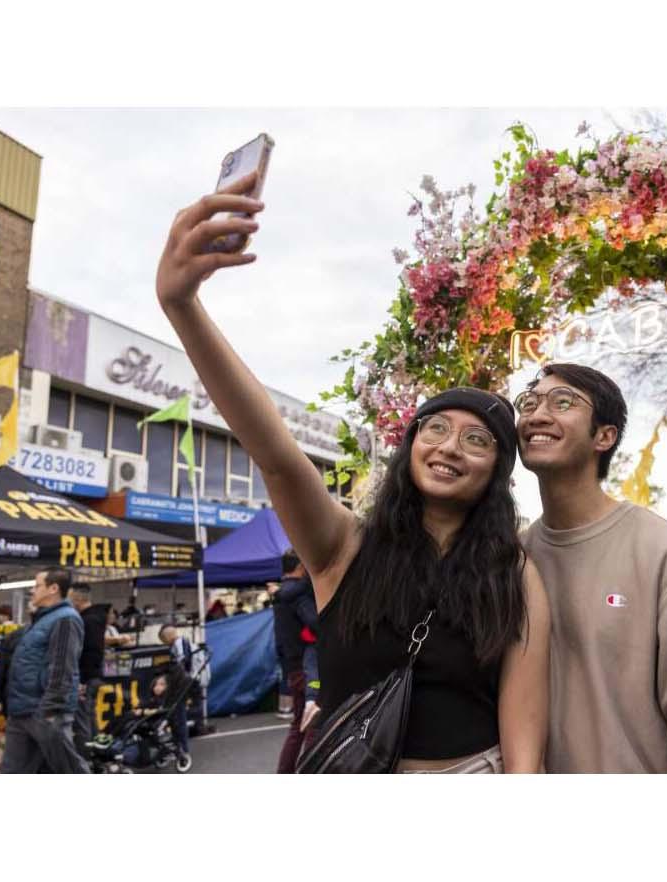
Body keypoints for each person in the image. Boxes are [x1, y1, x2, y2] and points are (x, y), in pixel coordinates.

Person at [153, 180, 550, 773]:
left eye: (477, 440)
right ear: (410, 445)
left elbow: (523, 730)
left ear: (497, 471)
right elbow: (279, 456)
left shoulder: (512, 572)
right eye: (434, 429)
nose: (450, 448)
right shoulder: (343, 546)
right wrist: (183, 307)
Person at [514, 362, 667, 773]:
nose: (537, 415)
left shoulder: (666, 556)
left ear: (604, 436)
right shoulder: (514, 558)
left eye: (563, 402)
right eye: (529, 402)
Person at [0, 569, 88, 773]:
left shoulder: (65, 619)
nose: (32, 590)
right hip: (22, 710)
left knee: (67, 769)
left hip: (43, 711)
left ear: (53, 589)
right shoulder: (42, 620)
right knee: (12, 770)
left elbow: (62, 667)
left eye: (37, 585)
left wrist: (50, 711)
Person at [68, 584, 134, 757]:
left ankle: (87, 758)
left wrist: (80, 678)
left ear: (78, 599)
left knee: (83, 720)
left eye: (69, 597)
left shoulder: (86, 620)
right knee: (89, 717)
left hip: (85, 677)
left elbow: (85, 649)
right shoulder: (95, 618)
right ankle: (96, 753)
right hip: (93, 675)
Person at [272, 549, 320, 772]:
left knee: (298, 724)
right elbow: (315, 623)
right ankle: (310, 770)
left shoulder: (281, 594)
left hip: (291, 665)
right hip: (307, 666)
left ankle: (285, 771)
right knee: (313, 723)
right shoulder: (298, 594)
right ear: (301, 566)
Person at [157, 624, 201, 763]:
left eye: (163, 640)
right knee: (175, 715)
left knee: (178, 716)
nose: (164, 643)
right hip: (184, 682)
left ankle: (182, 749)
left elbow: (182, 662)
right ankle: (178, 747)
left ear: (168, 637)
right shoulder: (183, 642)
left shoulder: (179, 643)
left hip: (182, 684)